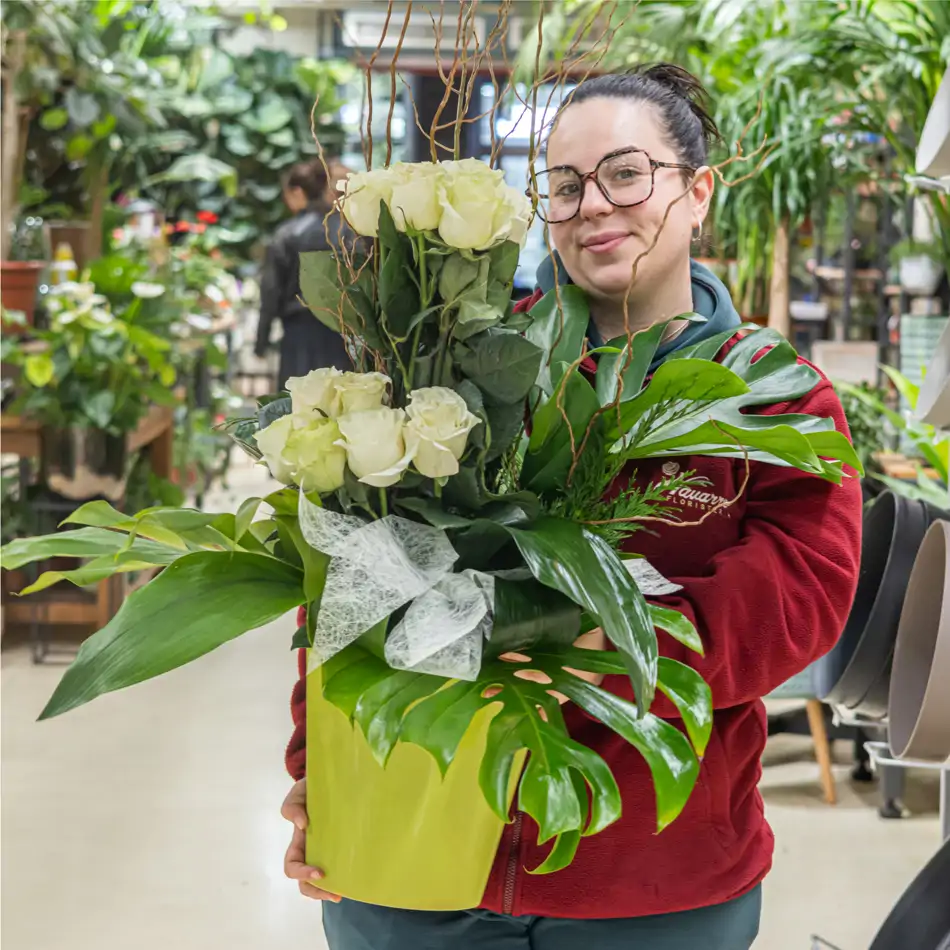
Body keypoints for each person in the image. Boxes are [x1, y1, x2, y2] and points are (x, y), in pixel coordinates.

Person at [279, 64, 863, 949]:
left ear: (698, 191)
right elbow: (351, 573)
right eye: (563, 185)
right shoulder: (461, 369)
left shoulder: (768, 391)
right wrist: (315, 768)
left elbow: (803, 589)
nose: (593, 205)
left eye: (626, 174)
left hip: (650, 883)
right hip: (417, 859)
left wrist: (607, 645)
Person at [255, 159, 355, 390]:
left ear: (297, 192)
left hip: (299, 337)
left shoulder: (287, 234)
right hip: (342, 335)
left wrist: (261, 342)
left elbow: (270, 292)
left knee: (298, 409)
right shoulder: (348, 231)